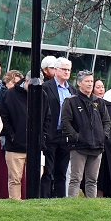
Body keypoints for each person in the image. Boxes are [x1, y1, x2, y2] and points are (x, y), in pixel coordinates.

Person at [61, 70, 110, 198]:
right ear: (79, 83)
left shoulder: (99, 102)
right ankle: (72, 206)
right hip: (79, 147)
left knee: (92, 180)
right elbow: (65, 123)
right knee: (75, 179)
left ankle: (91, 208)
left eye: (91, 81)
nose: (90, 84)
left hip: (97, 146)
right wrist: (76, 137)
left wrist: (103, 136)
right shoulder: (71, 101)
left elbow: (106, 121)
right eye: (87, 81)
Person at [40, 56, 72, 197]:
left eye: (69, 70)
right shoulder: (46, 87)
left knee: (61, 172)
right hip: (50, 134)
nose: (66, 72)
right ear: (56, 70)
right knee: (48, 171)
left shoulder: (72, 90)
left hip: (65, 135)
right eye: (64, 69)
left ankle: (59, 200)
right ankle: (45, 198)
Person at [0, 70, 29, 199]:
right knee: (15, 179)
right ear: (27, 81)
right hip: (15, 145)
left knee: (36, 177)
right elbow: (3, 117)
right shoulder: (10, 95)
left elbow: (47, 118)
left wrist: (42, 137)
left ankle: (33, 205)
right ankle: (15, 205)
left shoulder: (41, 94)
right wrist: (12, 135)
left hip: (35, 146)